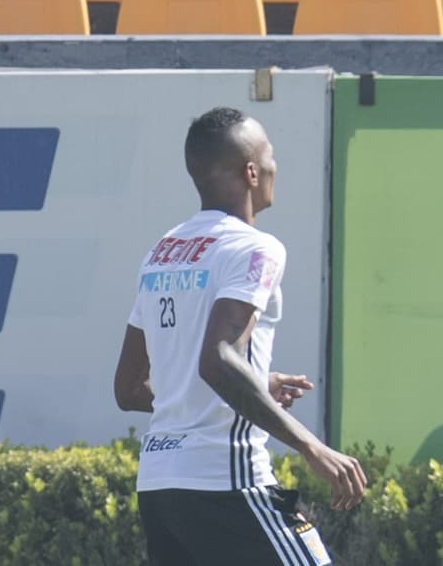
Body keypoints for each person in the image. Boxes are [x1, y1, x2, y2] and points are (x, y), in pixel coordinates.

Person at [113, 106, 366, 566]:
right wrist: (312, 446)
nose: (274, 165)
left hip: (160, 488)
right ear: (251, 170)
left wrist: (256, 385)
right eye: (269, 155)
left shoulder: (162, 252)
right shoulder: (257, 247)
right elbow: (217, 359)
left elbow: (129, 389)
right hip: (225, 482)